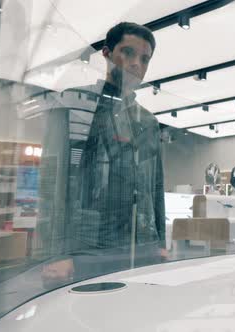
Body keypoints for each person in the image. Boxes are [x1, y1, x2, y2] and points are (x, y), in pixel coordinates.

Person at [37, 22, 166, 286]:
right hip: (83, 244)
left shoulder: (147, 121)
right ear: (106, 54)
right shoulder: (72, 102)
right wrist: (56, 253)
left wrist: (160, 242)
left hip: (136, 244)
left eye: (144, 59)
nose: (136, 64)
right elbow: (51, 181)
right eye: (127, 53)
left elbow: (155, 185)